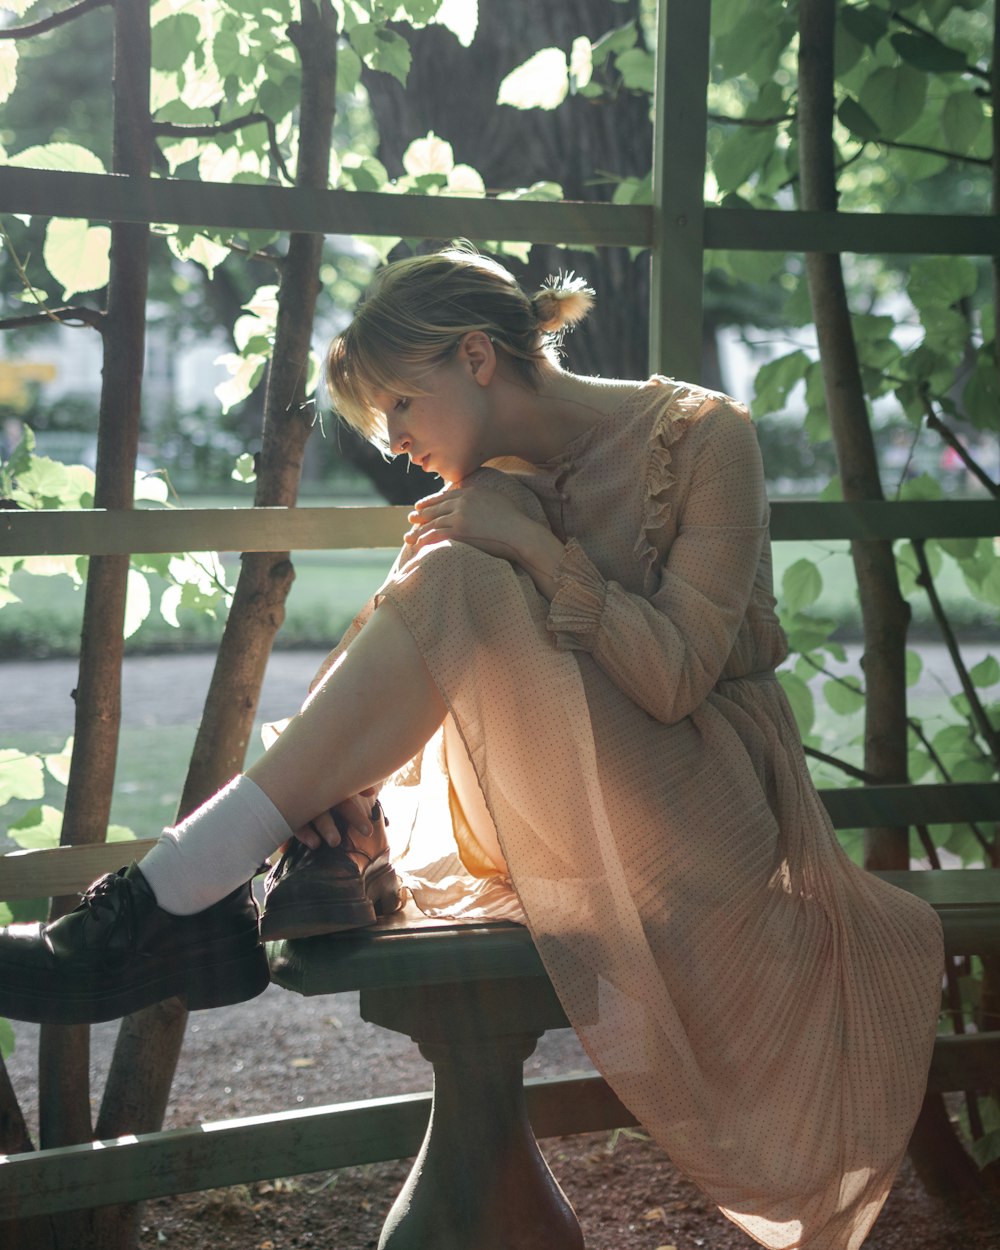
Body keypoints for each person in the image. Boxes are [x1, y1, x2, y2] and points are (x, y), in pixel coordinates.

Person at [0, 245, 943, 1250]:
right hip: (561, 800)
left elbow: (673, 674)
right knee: (445, 585)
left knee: (460, 581)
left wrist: (527, 545)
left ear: (478, 357)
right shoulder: (485, 481)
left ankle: (174, 896)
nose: (396, 439)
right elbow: (394, 656)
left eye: (404, 403)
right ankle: (245, 867)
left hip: (713, 813)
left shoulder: (707, 437)